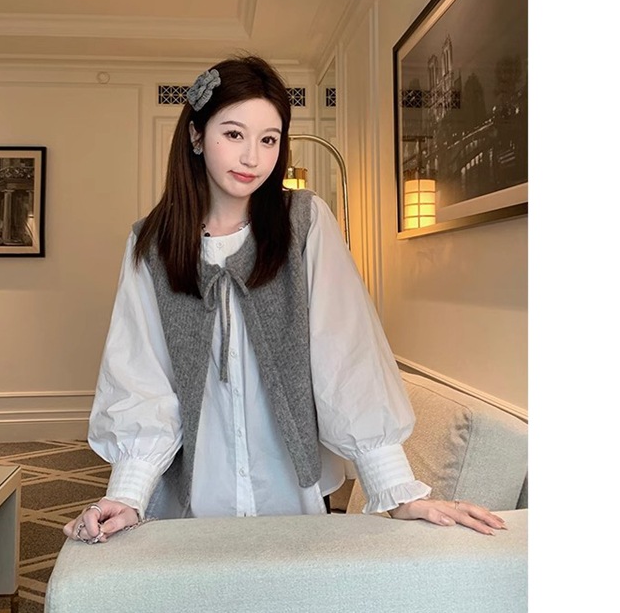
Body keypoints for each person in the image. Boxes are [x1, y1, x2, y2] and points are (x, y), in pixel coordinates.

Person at [63, 55, 506, 545]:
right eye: (234, 134)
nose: (252, 157)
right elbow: (140, 375)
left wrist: (398, 492)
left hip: (287, 488)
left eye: (268, 139)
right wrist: (127, 495)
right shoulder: (151, 242)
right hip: (191, 494)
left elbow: (345, 357)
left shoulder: (305, 222)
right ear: (196, 135)